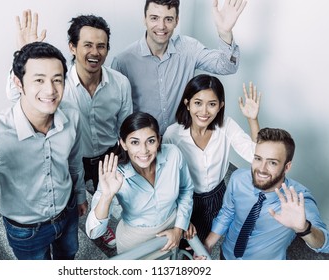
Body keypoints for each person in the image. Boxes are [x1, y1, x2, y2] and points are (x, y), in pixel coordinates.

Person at [0, 42, 88, 260]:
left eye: (57, 80)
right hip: (26, 231)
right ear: (18, 83)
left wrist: (79, 196)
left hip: (67, 213)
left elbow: (74, 162)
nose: (50, 90)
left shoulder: (72, 116)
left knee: (68, 256)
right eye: (39, 80)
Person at [7, 11, 133, 248]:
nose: (95, 52)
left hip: (109, 155)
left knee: (103, 194)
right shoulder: (55, 84)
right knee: (73, 202)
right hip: (71, 156)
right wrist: (27, 57)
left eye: (101, 46)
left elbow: (125, 124)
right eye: (87, 45)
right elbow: (16, 96)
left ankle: (101, 227)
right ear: (72, 47)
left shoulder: (120, 83)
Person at [111, 0, 247, 134]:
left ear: (177, 20)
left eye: (168, 19)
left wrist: (225, 33)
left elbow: (227, 67)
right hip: (142, 147)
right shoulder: (123, 61)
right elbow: (114, 113)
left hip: (180, 142)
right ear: (144, 19)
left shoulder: (188, 48)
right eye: (154, 18)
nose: (161, 26)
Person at [204, 128, 329, 259]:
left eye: (272, 162)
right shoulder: (238, 179)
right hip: (227, 254)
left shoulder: (297, 199)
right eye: (258, 159)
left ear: (287, 167)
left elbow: (325, 245)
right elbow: (227, 212)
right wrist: (208, 244)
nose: (262, 169)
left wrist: (304, 229)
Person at [163, 74, 260, 242]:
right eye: (198, 103)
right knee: (187, 243)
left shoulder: (226, 126)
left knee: (211, 237)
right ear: (187, 104)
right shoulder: (173, 134)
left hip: (218, 193)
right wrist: (180, 215)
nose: (204, 111)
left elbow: (255, 156)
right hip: (187, 198)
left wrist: (252, 120)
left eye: (212, 104)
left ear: (220, 106)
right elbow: (165, 180)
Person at [85, 112, 195, 257]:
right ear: (123, 143)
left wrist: (179, 227)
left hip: (171, 230)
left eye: (150, 141)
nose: (144, 151)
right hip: (136, 242)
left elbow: (186, 190)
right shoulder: (114, 174)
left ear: (159, 140)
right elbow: (94, 232)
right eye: (135, 142)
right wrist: (107, 196)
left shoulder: (173, 154)